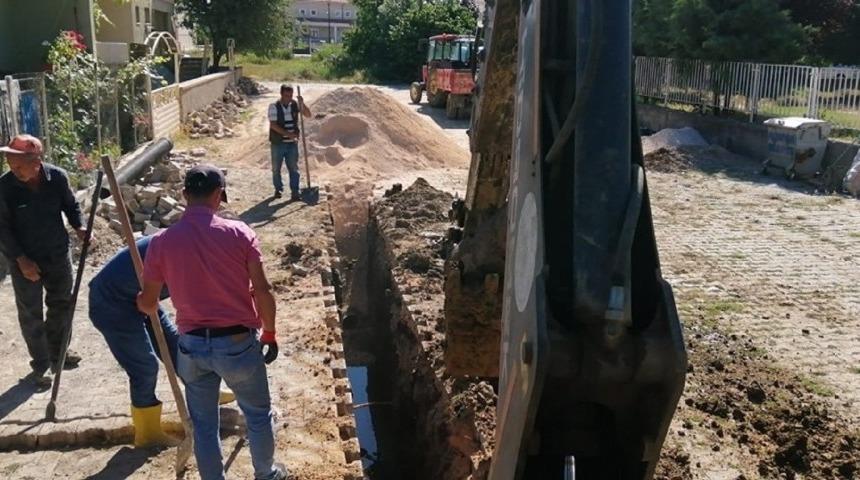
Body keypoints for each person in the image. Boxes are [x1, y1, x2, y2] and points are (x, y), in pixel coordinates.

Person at [137, 165, 287, 480]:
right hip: (237, 345)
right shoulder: (240, 233)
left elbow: (148, 303)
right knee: (258, 416)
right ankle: (266, 474)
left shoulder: (161, 242)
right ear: (218, 195)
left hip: (191, 348)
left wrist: (142, 300)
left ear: (184, 195)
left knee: (204, 426)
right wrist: (269, 333)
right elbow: (262, 289)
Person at [88, 237, 236, 448]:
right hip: (112, 302)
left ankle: (206, 392)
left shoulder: (200, 245)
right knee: (144, 367)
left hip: (142, 292)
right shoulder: (185, 251)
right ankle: (147, 434)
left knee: (175, 346)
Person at [0, 134, 86, 386]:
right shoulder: (4, 188)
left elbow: (71, 206)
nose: (13, 170)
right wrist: (21, 260)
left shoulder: (56, 178)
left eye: (17, 165)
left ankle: (59, 352)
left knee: (61, 304)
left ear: (36, 161)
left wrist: (79, 226)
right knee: (31, 312)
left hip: (57, 253)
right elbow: (2, 229)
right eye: (9, 165)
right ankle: (41, 363)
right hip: (24, 258)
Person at [268, 84, 311, 201]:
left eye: (291, 96)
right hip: (278, 143)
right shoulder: (273, 106)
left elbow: (308, 114)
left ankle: (295, 192)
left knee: (293, 168)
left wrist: (302, 103)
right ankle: (278, 189)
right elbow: (273, 125)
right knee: (276, 168)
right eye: (286, 95)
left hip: (292, 143)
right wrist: (289, 134)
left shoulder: (294, 105)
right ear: (281, 94)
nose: (289, 98)